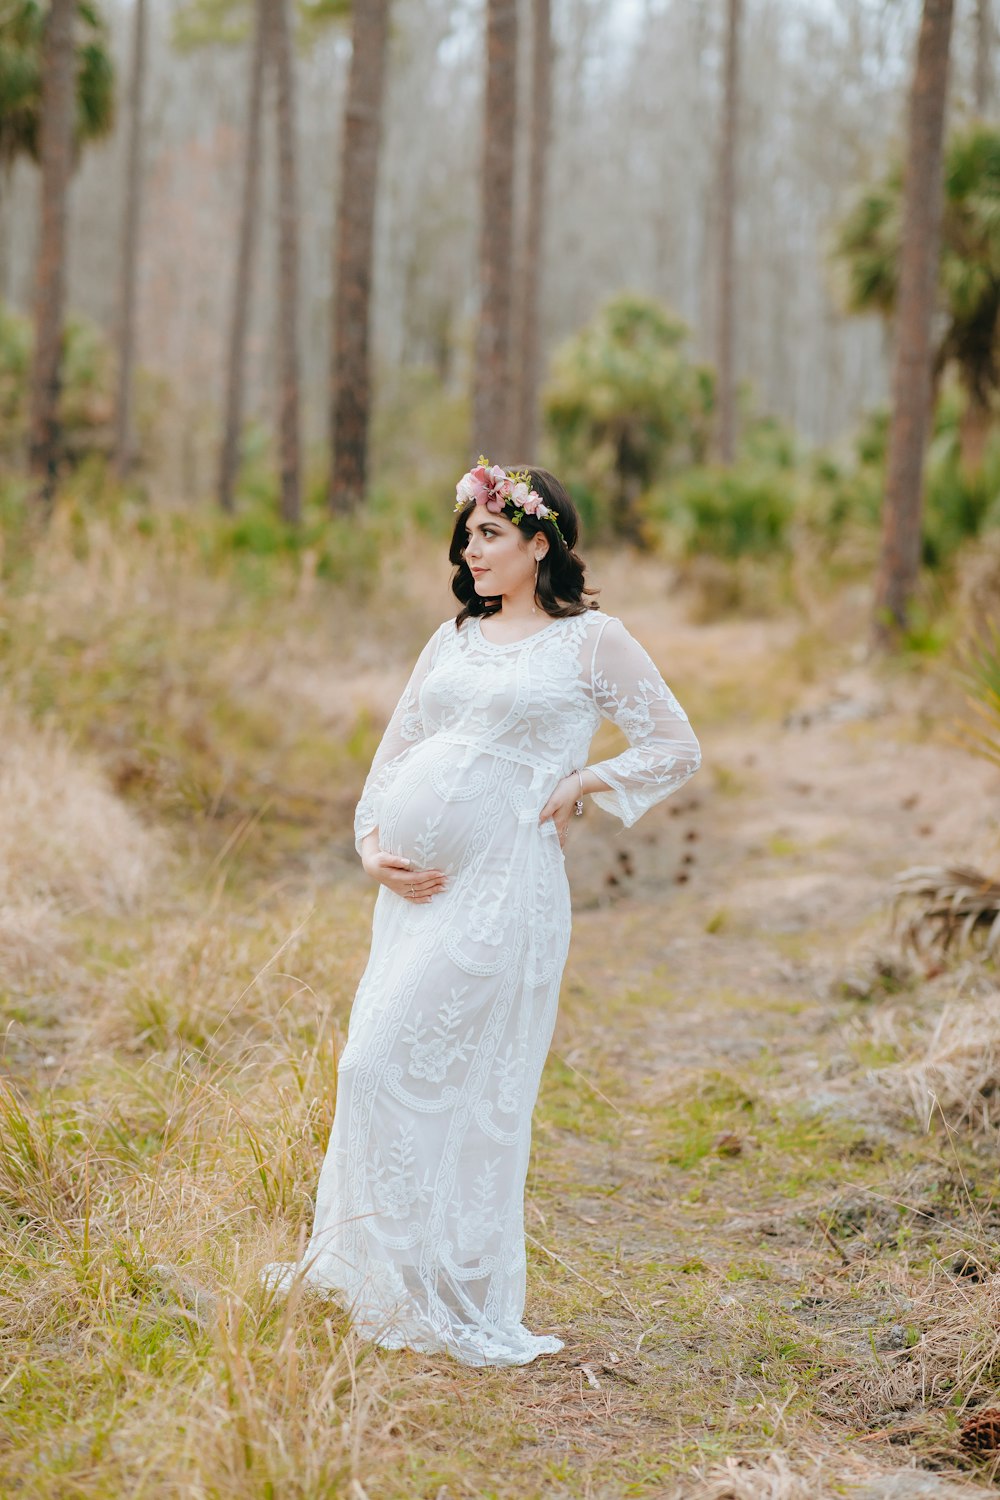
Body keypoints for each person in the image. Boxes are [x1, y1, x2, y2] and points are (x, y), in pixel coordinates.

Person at [261, 461, 701, 1367]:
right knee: (370, 1063)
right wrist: (368, 844)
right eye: (468, 534)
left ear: (540, 544)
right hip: (417, 893)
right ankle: (372, 1266)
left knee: (444, 1082)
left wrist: (584, 780)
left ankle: (448, 1285)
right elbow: (399, 747)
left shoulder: (591, 643)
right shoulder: (454, 637)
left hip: (508, 887)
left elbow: (674, 744)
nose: (473, 548)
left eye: (491, 533)